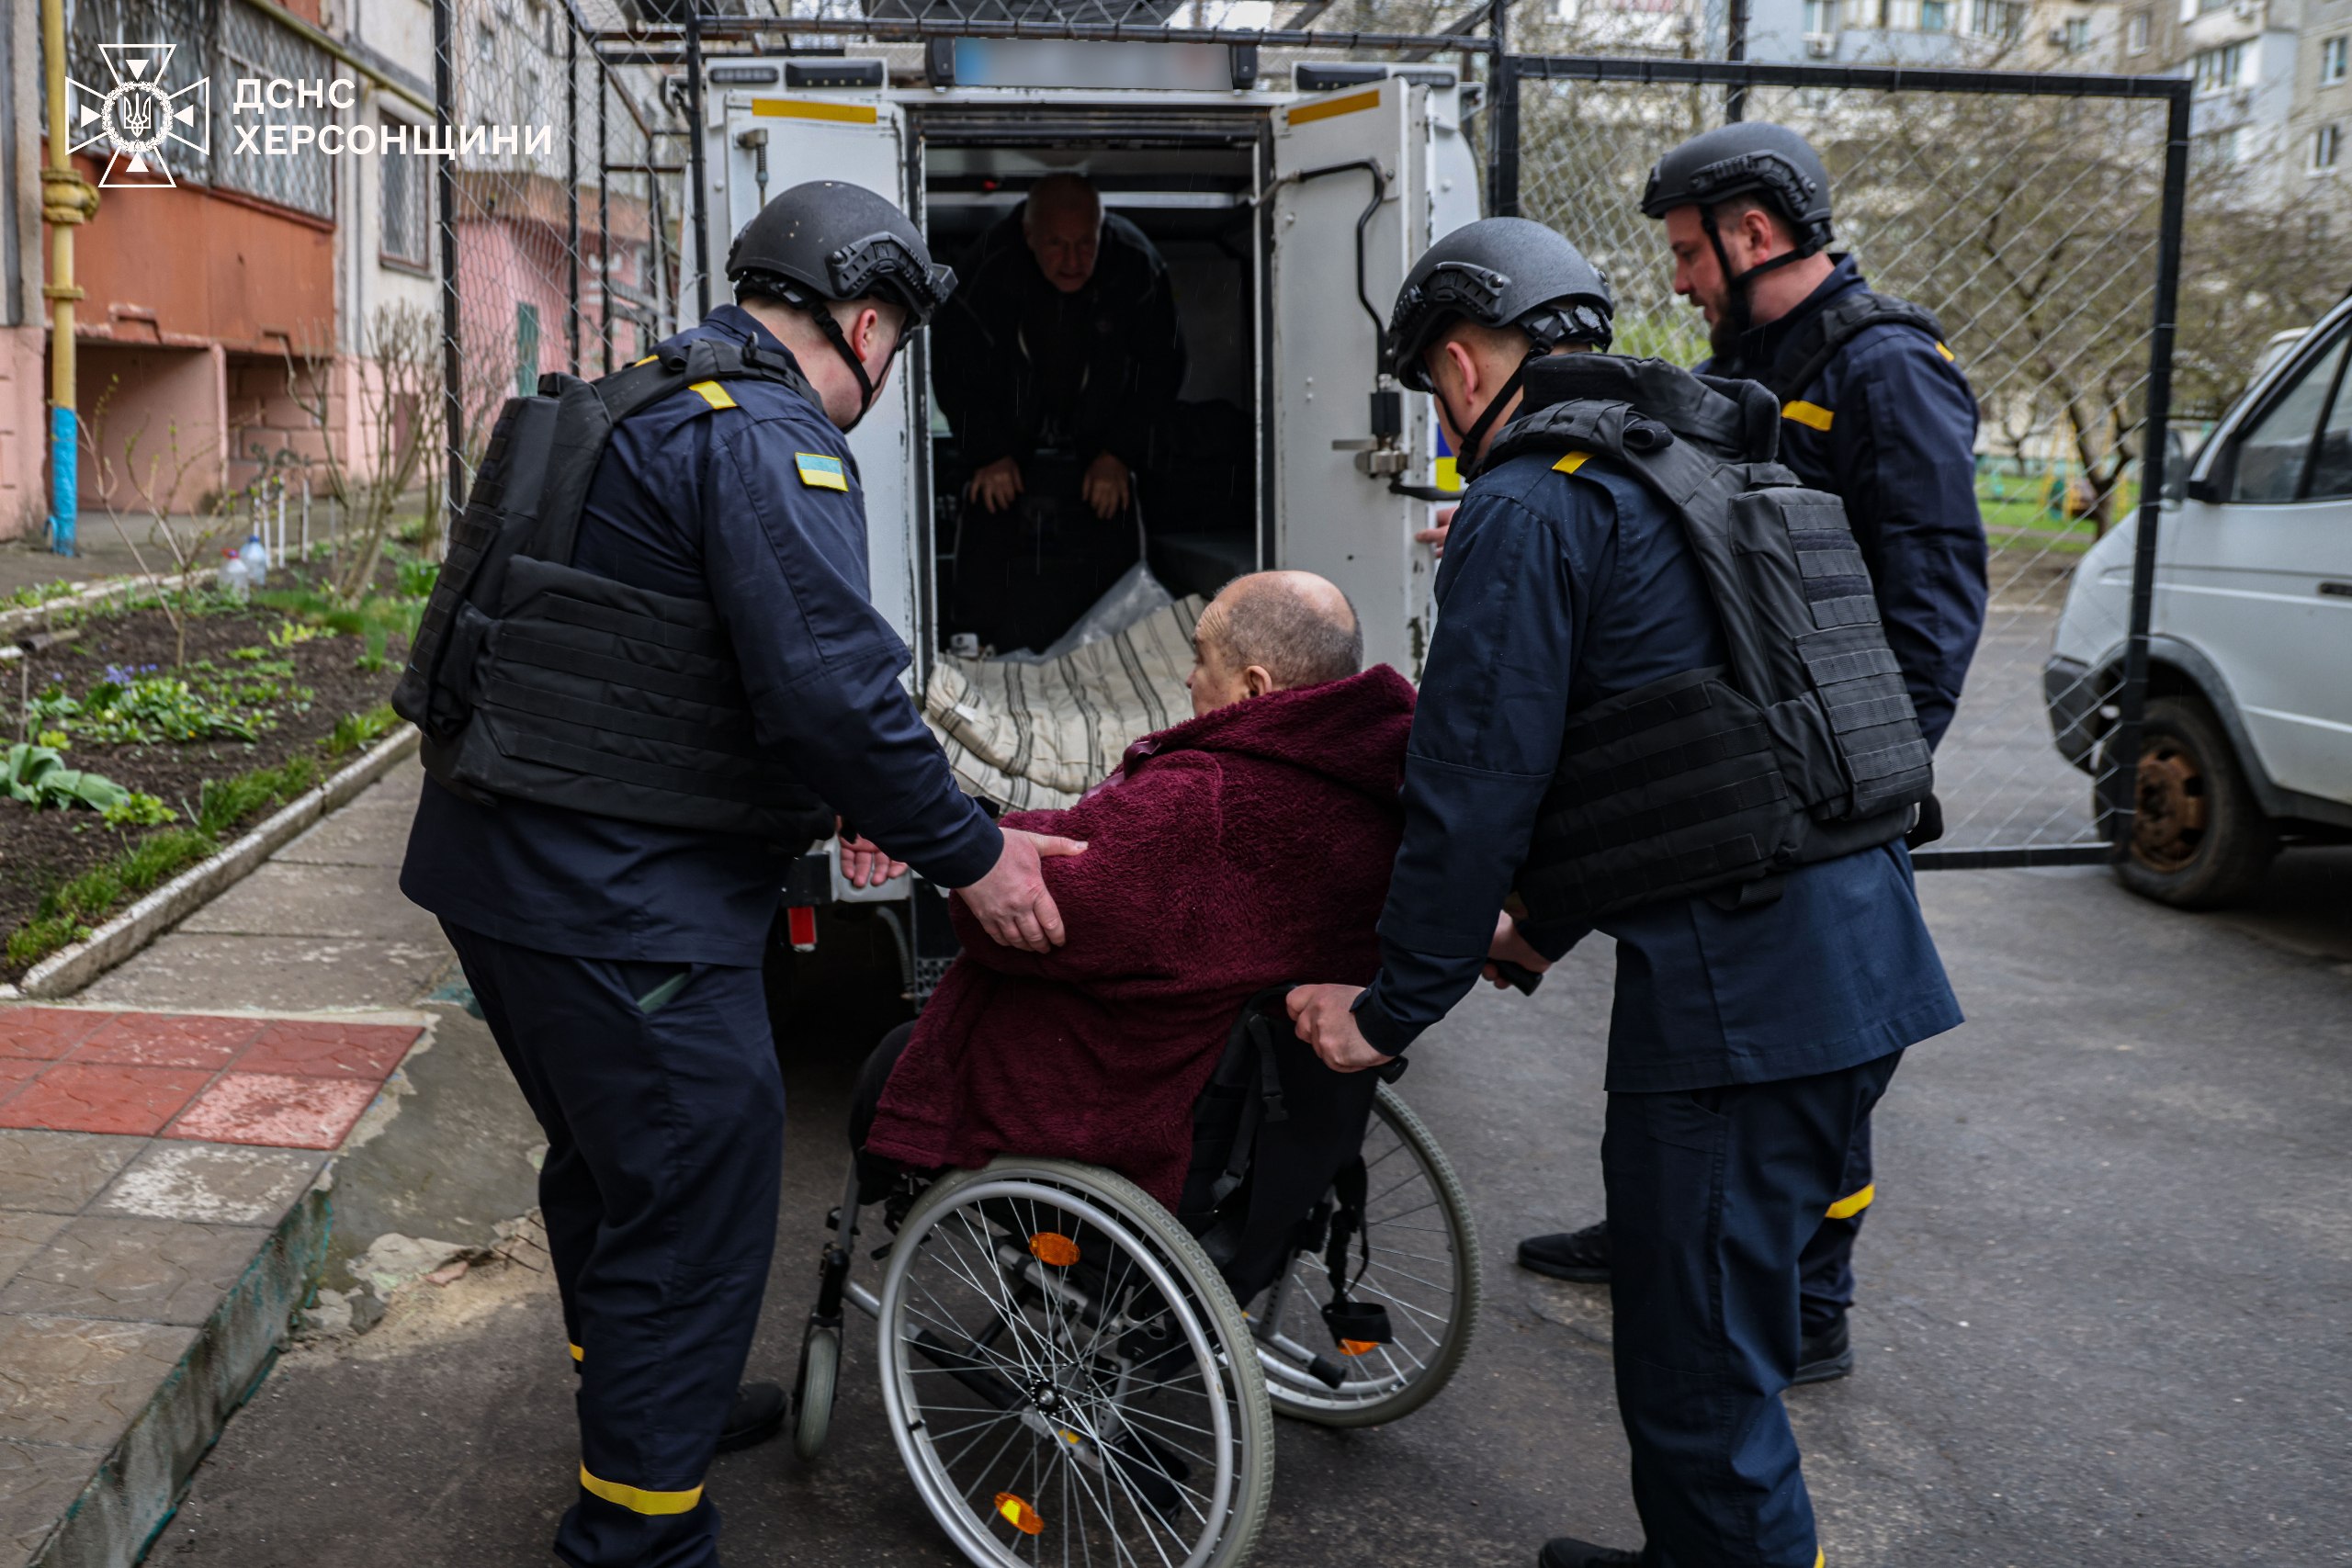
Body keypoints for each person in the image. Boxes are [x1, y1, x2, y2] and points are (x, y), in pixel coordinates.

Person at [397, 181, 1082, 1568]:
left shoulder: (635, 400)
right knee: (699, 1195)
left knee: (613, 1169)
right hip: (618, 898)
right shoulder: (771, 437)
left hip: (502, 874)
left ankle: (659, 1403)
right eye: (893, 350)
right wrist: (971, 853)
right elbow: (834, 693)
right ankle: (641, 1531)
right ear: (869, 319)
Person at [1283, 217, 1962, 1568]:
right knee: (1718, 1327)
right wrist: (1538, 925)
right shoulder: (1697, 461)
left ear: (1465, 369)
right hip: (1860, 957)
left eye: (1432, 386)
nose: (1442, 412)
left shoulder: (1530, 502)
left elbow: (1474, 782)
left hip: (1742, 1003)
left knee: (1699, 1373)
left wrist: (1389, 1008)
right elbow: (1688, 755)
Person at [1513, 123, 1990, 1386]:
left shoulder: (1887, 366)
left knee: (1820, 1043)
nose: (1674, 280)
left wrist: (1878, 782)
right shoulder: (1753, 361)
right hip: (1745, 774)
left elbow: (1935, 597)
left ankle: (1814, 1299)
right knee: (1694, 1008)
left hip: (1836, 784)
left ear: (1756, 234)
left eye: (1685, 253)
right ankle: (1665, 1222)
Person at [854, 571, 1413, 1295]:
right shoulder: (1381, 783)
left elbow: (1027, 918)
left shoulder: (1199, 801)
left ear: (1252, 686)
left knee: (890, 1066)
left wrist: (978, 848)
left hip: (1139, 1101)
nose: (1186, 678)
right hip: (1275, 1125)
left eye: (1200, 657)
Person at [932, 174, 1190, 653]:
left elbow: (1163, 367)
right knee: (987, 508)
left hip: (1102, 432)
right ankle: (977, 648)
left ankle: (1116, 650)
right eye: (1056, 244)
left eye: (1085, 243)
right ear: (1029, 236)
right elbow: (953, 370)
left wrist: (1118, 453)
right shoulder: (987, 268)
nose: (1073, 261)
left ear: (1102, 229)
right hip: (1010, 433)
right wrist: (989, 452)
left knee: (1118, 513)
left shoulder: (1135, 262)